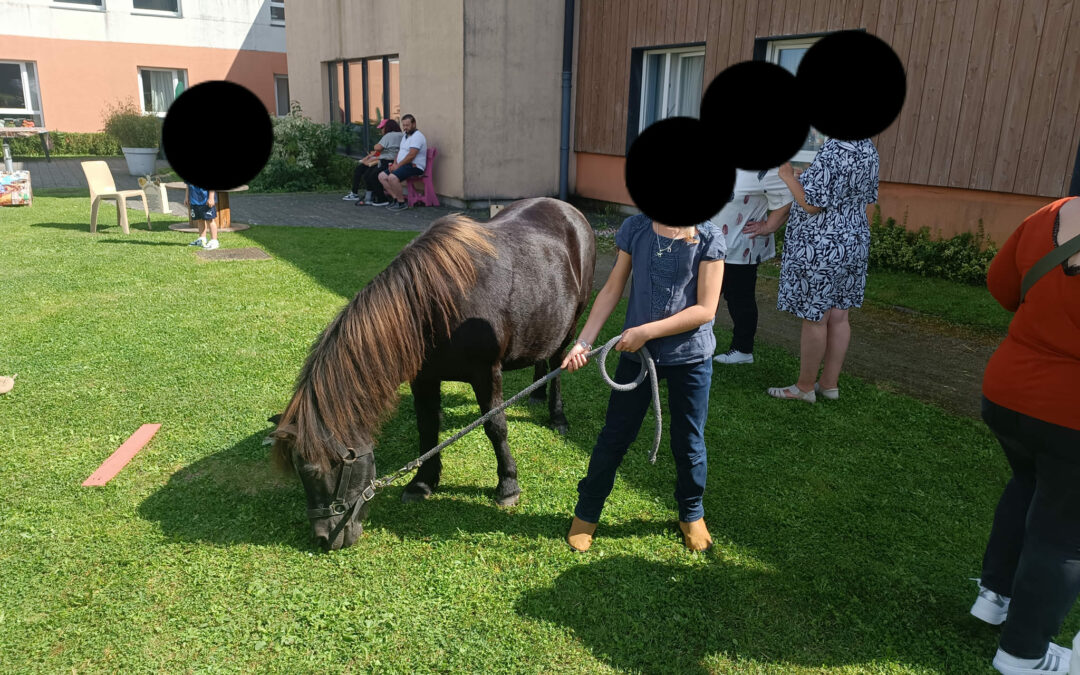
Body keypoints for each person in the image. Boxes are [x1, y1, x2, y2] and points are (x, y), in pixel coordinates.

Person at [562, 213, 725, 553]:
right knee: (614, 436)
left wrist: (645, 332)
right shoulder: (636, 228)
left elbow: (706, 309)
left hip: (690, 358)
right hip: (636, 357)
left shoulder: (708, 237)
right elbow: (612, 288)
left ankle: (691, 512)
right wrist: (585, 342)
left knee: (689, 441)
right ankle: (587, 512)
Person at [969, 196, 1080, 675]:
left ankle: (995, 595)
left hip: (1009, 393)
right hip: (1069, 412)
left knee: (1027, 486)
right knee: (1063, 534)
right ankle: (1023, 653)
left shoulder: (1055, 211)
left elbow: (1002, 285)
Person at [744, 138, 878, 402]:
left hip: (823, 243)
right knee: (840, 315)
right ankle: (829, 385)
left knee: (816, 316)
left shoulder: (833, 148)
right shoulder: (866, 146)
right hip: (854, 238)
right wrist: (803, 178)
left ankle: (804, 388)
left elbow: (811, 204)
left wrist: (786, 175)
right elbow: (860, 195)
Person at [712, 168, 793, 365]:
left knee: (739, 298)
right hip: (713, 245)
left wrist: (769, 226)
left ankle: (742, 349)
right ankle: (696, 342)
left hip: (741, 248)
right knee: (705, 294)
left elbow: (787, 198)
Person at [343, 119, 402, 205]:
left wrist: (373, 150)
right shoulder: (401, 135)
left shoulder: (389, 135)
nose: (381, 130)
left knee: (371, 175)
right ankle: (372, 196)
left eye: (382, 128)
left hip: (386, 161)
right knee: (368, 173)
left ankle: (380, 198)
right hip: (395, 161)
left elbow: (377, 148)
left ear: (387, 127)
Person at [378, 113, 427, 212]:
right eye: (403, 125)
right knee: (382, 176)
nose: (405, 128)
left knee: (392, 177)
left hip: (414, 166)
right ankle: (396, 199)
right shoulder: (405, 136)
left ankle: (401, 203)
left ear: (414, 124)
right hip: (403, 165)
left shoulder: (417, 137)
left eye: (407, 125)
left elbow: (411, 155)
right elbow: (400, 152)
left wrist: (398, 166)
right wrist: (395, 164)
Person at [185, 183, 218, 250]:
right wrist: (186, 197)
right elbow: (188, 185)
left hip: (206, 201)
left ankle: (214, 241)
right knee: (200, 219)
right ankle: (202, 239)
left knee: (210, 220)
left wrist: (211, 198)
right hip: (194, 201)